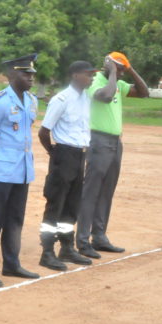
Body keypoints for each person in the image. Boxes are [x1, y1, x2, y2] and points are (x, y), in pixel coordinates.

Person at [0, 54, 41, 287]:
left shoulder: (32, 101)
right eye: (26, 74)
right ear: (12, 75)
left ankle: (11, 264)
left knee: (15, 218)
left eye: (32, 74)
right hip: (1, 170)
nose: (31, 78)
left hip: (23, 170)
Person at [76, 51, 148, 258]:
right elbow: (106, 97)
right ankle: (82, 241)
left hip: (115, 143)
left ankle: (99, 237)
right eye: (119, 70)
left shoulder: (117, 83)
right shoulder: (96, 82)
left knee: (107, 191)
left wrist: (130, 69)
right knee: (91, 192)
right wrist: (113, 72)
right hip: (98, 141)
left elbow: (144, 92)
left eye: (123, 71)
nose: (122, 75)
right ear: (108, 67)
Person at [38, 61, 96, 271]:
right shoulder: (61, 99)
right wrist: (54, 153)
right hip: (63, 154)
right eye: (88, 74)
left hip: (79, 156)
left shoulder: (85, 99)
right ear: (74, 75)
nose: (91, 78)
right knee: (56, 204)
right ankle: (47, 251)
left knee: (72, 205)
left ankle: (66, 247)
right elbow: (44, 132)